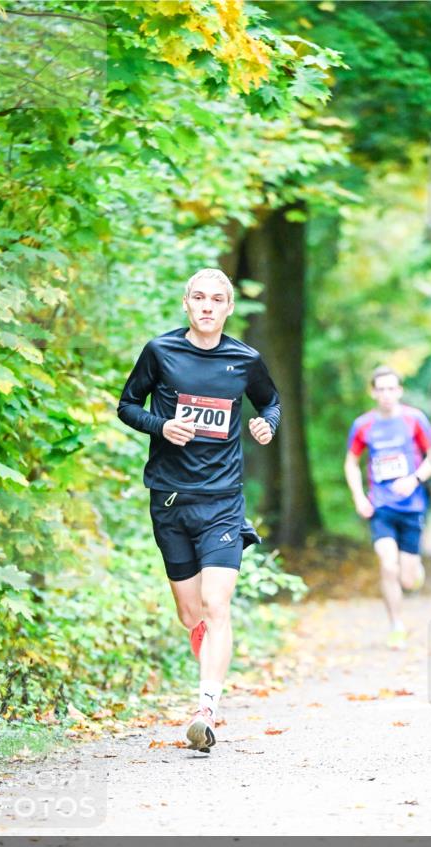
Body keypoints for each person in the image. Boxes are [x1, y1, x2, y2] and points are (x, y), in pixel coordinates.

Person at [117, 268, 280, 752]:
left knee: (217, 603)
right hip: (169, 497)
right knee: (192, 614)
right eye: (199, 298)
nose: (208, 306)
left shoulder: (244, 359)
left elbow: (270, 403)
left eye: (217, 299)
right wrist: (162, 426)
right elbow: (127, 405)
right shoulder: (160, 352)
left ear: (229, 308)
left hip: (222, 501)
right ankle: (207, 654)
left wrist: (266, 425)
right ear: (187, 304)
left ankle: (206, 709)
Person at [345, 366, 431, 649]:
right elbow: (351, 461)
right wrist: (359, 497)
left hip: (412, 506)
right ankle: (396, 625)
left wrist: (415, 479)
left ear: (399, 391)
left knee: (407, 578)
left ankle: (413, 573)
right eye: (381, 389)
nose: (387, 394)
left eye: (392, 388)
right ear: (374, 392)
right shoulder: (363, 424)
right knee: (388, 565)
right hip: (381, 507)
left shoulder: (414, 419)